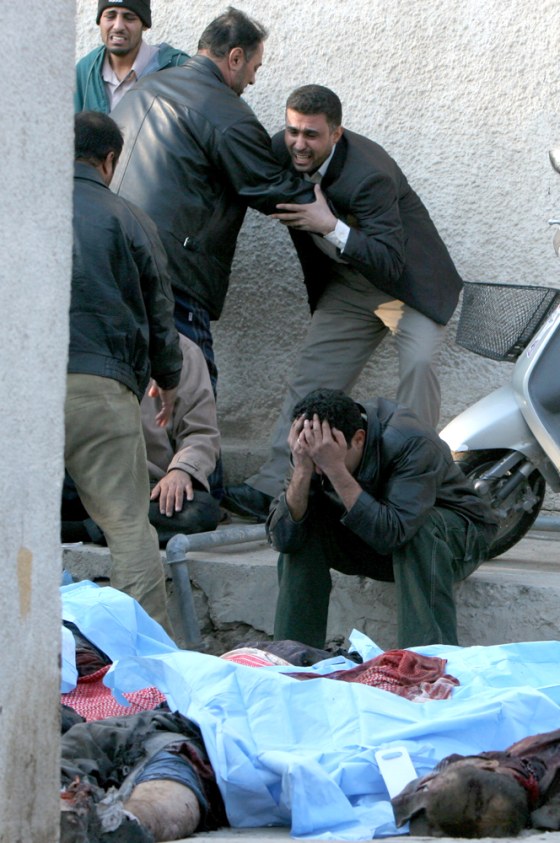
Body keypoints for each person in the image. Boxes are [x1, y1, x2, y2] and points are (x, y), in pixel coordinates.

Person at [224, 84, 464, 522]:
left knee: (418, 372)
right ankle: (274, 486)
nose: (298, 143)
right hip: (349, 288)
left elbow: (390, 262)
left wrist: (329, 224)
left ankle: (416, 486)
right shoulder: (283, 149)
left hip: (404, 289)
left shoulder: (368, 174)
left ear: (336, 133)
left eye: (311, 135)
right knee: (311, 381)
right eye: (293, 130)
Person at [109, 6, 315, 392]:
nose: (253, 80)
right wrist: (329, 207)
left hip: (111, 261)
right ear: (235, 57)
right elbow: (269, 187)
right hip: (173, 278)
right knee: (193, 404)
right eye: (255, 66)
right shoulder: (226, 112)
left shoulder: (141, 89)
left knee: (130, 399)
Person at [66, 110, 182, 634]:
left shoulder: (19, 204)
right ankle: (146, 662)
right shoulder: (128, 216)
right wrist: (169, 379)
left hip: (19, 391)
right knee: (128, 526)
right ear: (109, 161)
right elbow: (160, 306)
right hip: (102, 387)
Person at [266, 388, 498, 650]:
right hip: (374, 540)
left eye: (326, 457)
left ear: (359, 439)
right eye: (313, 457)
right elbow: (283, 538)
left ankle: (428, 664)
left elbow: (393, 533)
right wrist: (303, 468)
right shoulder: (312, 443)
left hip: (453, 541)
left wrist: (335, 469)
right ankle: (294, 659)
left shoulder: (411, 440)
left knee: (419, 532)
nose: (319, 465)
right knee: (301, 525)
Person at [61, 334, 222, 546]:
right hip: (82, 481)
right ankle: (99, 527)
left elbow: (200, 432)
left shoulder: (182, 351)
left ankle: (82, 530)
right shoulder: (76, 335)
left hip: (144, 489)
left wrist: (181, 470)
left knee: (201, 510)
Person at [75, 0, 188, 113]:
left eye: (129, 17)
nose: (118, 26)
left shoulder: (179, 70)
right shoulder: (85, 72)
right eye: (110, 16)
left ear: (144, 24)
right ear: (100, 21)